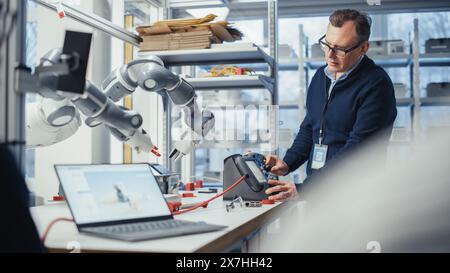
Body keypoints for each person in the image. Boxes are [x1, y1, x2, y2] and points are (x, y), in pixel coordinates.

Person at [265, 9, 397, 202]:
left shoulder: (376, 84)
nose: (330, 55)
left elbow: (359, 149)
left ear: (363, 48)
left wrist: (306, 188)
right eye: (327, 44)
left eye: (341, 49)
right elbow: (310, 125)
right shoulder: (321, 76)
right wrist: (288, 163)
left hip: (356, 196)